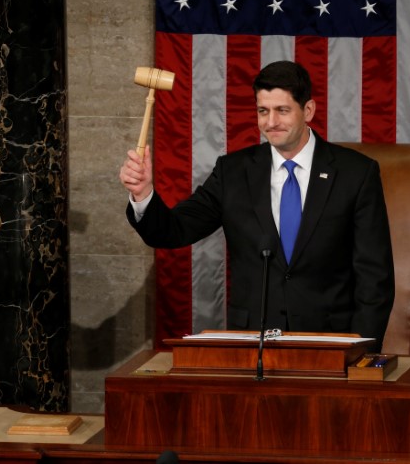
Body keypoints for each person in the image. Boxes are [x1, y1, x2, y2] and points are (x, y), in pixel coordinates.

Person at [119, 61, 394, 351]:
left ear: (308, 110)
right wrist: (143, 193)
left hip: (330, 344)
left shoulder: (356, 173)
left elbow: (375, 278)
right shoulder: (233, 172)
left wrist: (360, 353)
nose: (271, 122)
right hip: (253, 345)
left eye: (282, 110)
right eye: (263, 111)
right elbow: (173, 232)